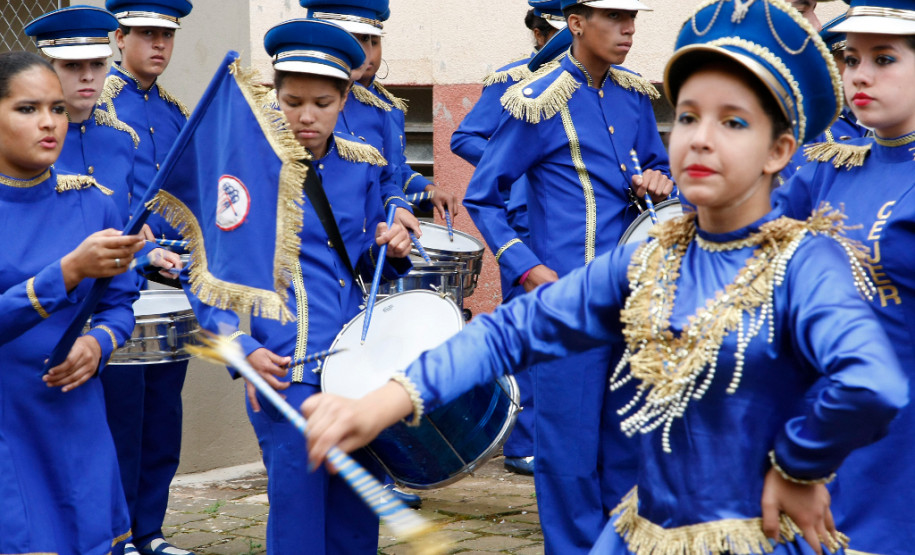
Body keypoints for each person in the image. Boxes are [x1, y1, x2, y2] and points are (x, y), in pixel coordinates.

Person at [302, 2, 910, 554]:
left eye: (733, 123)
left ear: (780, 151)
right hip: (647, 532)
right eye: (688, 116)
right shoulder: (649, 261)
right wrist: (386, 400)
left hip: (756, 534)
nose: (700, 139)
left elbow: (870, 381)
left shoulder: (804, 264)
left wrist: (799, 464)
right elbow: (511, 331)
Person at [186, 18, 412, 553]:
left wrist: (392, 251)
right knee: (298, 523)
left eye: (322, 103)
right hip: (287, 372)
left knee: (357, 521)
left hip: (357, 367)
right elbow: (208, 273)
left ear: (345, 100)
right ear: (275, 94)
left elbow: (360, 263)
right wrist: (239, 348)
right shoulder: (247, 172)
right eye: (292, 102)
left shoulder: (361, 164)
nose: (306, 116)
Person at [456, 0, 674, 551]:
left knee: (628, 446)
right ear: (576, 23)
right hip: (568, 305)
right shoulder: (537, 100)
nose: (628, 29)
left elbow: (659, 165)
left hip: (632, 299)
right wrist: (527, 268)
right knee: (568, 453)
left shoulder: (633, 95)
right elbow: (483, 196)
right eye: (613, 17)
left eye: (632, 17)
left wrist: (658, 178)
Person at [773, 1, 915, 552]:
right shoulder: (830, 166)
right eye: (851, 58)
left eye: (884, 58)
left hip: (900, 441)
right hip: (822, 423)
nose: (859, 75)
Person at [0, 50, 145, 555]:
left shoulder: (94, 202)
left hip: (73, 413)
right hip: (7, 417)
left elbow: (120, 305)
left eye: (57, 109)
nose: (49, 123)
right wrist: (65, 273)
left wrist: (98, 344)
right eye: (27, 109)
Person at [449, 0, 570, 477]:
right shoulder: (513, 79)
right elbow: (464, 137)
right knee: (528, 327)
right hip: (522, 222)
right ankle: (524, 440)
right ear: (539, 34)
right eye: (556, 33)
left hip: (570, 224)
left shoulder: (598, 84)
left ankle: (561, 436)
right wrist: (514, 167)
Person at [96, 1, 195, 553]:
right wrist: (139, 249)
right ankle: (118, 536)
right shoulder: (99, 106)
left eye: (167, 35)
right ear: (119, 37)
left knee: (163, 415)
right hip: (120, 280)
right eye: (146, 33)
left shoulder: (175, 111)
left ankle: (150, 530)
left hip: (173, 283)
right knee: (123, 420)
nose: (159, 44)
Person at [24, 5, 181, 278]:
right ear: (48, 70)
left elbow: (120, 228)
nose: (87, 76)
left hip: (119, 291)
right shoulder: (27, 140)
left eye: (97, 64)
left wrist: (149, 253)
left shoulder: (123, 138)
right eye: (73, 65)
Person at [300, 0, 424, 237]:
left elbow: (386, 178)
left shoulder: (379, 108)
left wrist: (397, 206)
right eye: (352, 39)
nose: (364, 52)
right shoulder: (276, 109)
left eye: (369, 39)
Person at [356, 7, 458, 223]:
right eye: (357, 41)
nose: (367, 52)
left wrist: (429, 190)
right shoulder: (328, 107)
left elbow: (395, 169)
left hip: (389, 228)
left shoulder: (391, 107)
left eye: (374, 42)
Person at [780, 8, 868, 181]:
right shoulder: (809, 125)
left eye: (884, 61)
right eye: (852, 61)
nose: (866, 74)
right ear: (828, 65)